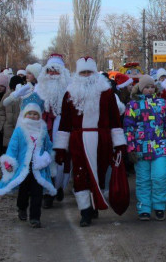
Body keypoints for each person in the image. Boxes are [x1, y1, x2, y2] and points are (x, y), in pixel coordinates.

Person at [54, 57, 126, 227]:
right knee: (80, 175)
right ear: (78, 74)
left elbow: (115, 120)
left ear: (95, 73)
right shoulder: (70, 93)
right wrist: (60, 148)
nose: (86, 75)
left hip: (102, 139)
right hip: (78, 140)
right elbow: (64, 123)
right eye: (83, 72)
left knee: (99, 173)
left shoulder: (107, 93)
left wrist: (119, 144)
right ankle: (84, 211)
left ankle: (94, 204)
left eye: (89, 72)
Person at [0, 94, 56, 228]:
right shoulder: (20, 131)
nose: (32, 116)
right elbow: (13, 147)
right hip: (24, 168)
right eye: (30, 114)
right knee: (24, 191)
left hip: (38, 169)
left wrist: (49, 157)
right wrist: (9, 161)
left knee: (37, 193)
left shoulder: (42, 130)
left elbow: (48, 146)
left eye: (35, 114)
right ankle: (21, 207)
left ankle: (35, 217)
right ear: (25, 115)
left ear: (39, 116)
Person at [124, 75, 166, 221]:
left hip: (159, 147)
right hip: (141, 149)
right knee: (143, 180)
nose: (149, 89)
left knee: (160, 177)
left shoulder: (162, 104)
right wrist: (131, 148)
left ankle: (159, 206)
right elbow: (128, 128)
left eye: (151, 86)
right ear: (141, 88)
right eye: (146, 87)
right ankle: (144, 208)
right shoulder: (133, 105)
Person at [35, 53, 71, 208]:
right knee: (44, 159)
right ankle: (47, 192)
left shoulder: (69, 88)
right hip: (43, 127)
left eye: (56, 71)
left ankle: (59, 187)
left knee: (61, 160)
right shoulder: (39, 87)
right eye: (50, 71)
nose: (53, 74)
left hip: (63, 126)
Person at [0, 75, 25, 153]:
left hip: (20, 126)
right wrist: (2, 124)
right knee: (9, 149)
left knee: (19, 148)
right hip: (8, 126)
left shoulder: (23, 96)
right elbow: (1, 110)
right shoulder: (7, 96)